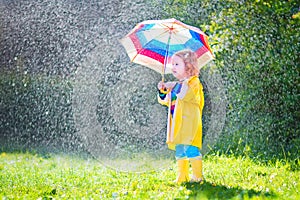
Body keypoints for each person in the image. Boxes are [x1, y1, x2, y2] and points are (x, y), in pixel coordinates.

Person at [157, 50, 204, 184]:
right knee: (180, 150)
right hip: (178, 124)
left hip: (190, 124)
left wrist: (174, 86)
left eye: (177, 64)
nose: (173, 67)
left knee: (191, 149)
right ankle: (182, 176)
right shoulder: (178, 84)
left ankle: (197, 176)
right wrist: (163, 91)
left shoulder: (194, 82)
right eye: (172, 64)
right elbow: (167, 101)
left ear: (188, 66)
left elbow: (185, 95)